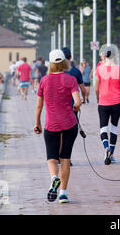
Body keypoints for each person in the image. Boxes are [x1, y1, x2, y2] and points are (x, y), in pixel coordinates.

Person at [34, 49, 81, 204]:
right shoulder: (70, 79)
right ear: (65, 62)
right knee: (65, 158)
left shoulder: (44, 80)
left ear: (51, 63)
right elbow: (78, 102)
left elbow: (39, 106)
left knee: (52, 158)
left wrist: (37, 124)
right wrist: (75, 108)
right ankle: (63, 194)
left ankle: (54, 178)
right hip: (69, 124)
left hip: (51, 124)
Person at [95, 45, 120, 165]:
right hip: (117, 102)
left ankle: (106, 148)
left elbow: (96, 86)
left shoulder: (99, 69)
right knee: (114, 128)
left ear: (105, 55)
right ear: (115, 55)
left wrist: (97, 97)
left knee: (103, 127)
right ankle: (111, 154)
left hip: (103, 102)